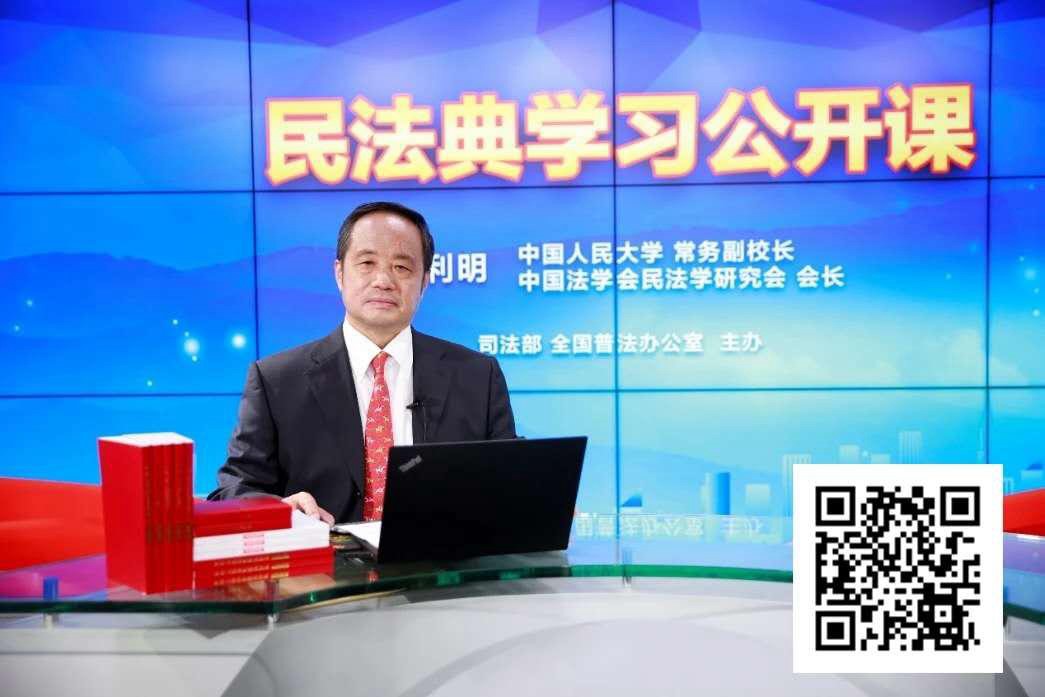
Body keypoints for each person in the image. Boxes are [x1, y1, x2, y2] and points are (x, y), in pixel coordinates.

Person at [209, 201, 517, 524]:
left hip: (442, 556)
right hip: (324, 555)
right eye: (367, 263)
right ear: (339, 273)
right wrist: (280, 509)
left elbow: (512, 482)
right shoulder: (276, 380)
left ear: (424, 282)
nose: (383, 280)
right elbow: (233, 489)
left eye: (402, 267)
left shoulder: (478, 377)